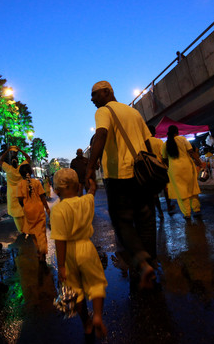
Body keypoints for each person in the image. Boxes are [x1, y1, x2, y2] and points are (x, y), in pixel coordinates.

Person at [86, 80, 157, 289]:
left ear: (107, 92)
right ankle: (150, 262)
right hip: (141, 175)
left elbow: (101, 135)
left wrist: (90, 167)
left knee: (121, 221)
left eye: (95, 95)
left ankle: (142, 264)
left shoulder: (103, 111)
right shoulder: (133, 112)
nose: (92, 99)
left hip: (119, 176)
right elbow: (148, 142)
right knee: (146, 219)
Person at [50, 168, 108, 340]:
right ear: (77, 187)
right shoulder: (87, 202)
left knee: (75, 291)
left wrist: (60, 266)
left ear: (57, 190)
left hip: (68, 253)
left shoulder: (58, 210)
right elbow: (92, 192)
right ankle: (97, 315)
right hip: (87, 248)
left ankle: (87, 324)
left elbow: (59, 240)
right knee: (96, 284)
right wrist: (92, 184)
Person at [162, 125, 203, 219]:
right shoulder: (183, 139)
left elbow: (164, 159)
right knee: (192, 188)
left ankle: (187, 213)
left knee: (181, 191)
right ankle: (196, 209)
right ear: (177, 132)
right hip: (187, 166)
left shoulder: (165, 143)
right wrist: (199, 163)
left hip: (174, 169)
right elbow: (191, 152)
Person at [17, 164, 51, 262]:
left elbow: (19, 199)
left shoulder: (20, 185)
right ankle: (42, 251)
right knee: (41, 232)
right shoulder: (37, 182)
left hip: (28, 211)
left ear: (21, 174)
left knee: (32, 232)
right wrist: (48, 209)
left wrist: (24, 206)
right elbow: (42, 197)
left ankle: (38, 250)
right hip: (39, 209)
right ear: (31, 172)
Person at [0, 146, 32, 232]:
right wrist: (20, 150)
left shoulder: (8, 169)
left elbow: (0, 160)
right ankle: (27, 229)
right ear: (18, 162)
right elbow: (28, 158)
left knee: (16, 216)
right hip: (22, 192)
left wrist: (7, 150)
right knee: (24, 212)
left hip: (12, 195)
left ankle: (22, 231)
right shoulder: (21, 167)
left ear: (10, 162)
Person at [147, 124, 171, 219]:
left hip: (150, 169)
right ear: (154, 132)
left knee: (154, 192)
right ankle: (169, 207)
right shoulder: (159, 141)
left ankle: (160, 212)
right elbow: (163, 155)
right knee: (165, 189)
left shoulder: (144, 142)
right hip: (160, 167)